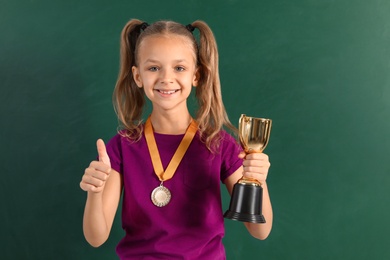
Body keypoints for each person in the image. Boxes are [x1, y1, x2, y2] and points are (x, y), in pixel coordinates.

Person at [80, 18, 273, 259]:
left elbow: (260, 230)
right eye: (153, 68)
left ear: (196, 75)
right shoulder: (121, 147)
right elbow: (95, 237)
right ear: (138, 76)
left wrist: (258, 180)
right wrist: (94, 192)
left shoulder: (220, 144)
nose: (166, 78)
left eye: (179, 68)